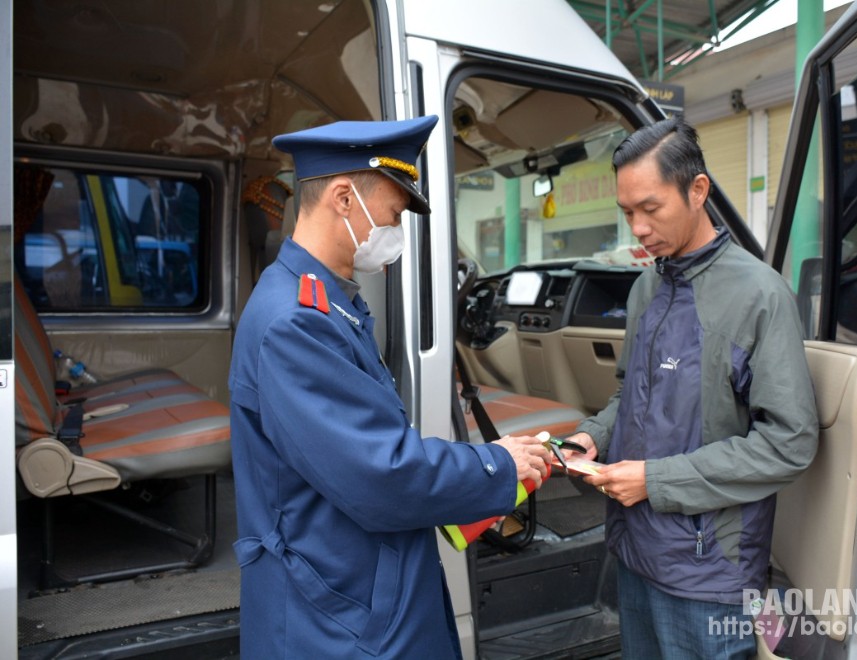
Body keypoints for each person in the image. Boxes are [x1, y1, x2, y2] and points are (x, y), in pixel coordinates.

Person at [228, 115, 552, 659]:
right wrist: (496, 464)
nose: (397, 230)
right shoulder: (296, 321)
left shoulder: (326, 298)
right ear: (343, 198)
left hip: (351, 581)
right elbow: (380, 474)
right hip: (337, 612)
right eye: (395, 212)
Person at [565, 116, 819, 659]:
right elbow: (628, 395)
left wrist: (655, 480)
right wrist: (590, 437)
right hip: (635, 551)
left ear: (697, 190)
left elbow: (789, 443)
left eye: (650, 209)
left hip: (710, 574)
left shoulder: (759, 296)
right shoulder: (645, 288)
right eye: (627, 212)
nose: (636, 227)